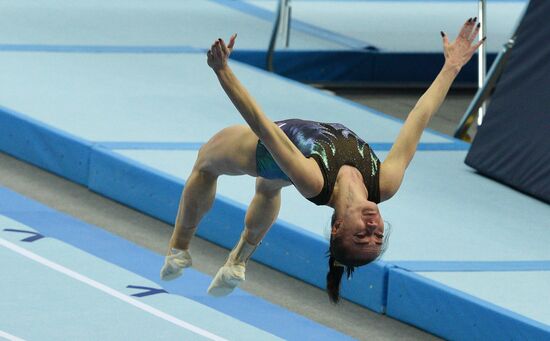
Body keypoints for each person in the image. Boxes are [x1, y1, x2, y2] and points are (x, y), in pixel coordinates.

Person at [161, 17, 486, 303]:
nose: (373, 227)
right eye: (377, 235)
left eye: (361, 234)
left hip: (271, 149)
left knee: (206, 164)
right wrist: (452, 67)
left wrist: (222, 72)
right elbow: (418, 119)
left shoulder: (315, 181)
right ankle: (238, 261)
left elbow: (262, 126)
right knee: (268, 190)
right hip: (293, 156)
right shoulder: (384, 184)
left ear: (338, 227)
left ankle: (179, 248)